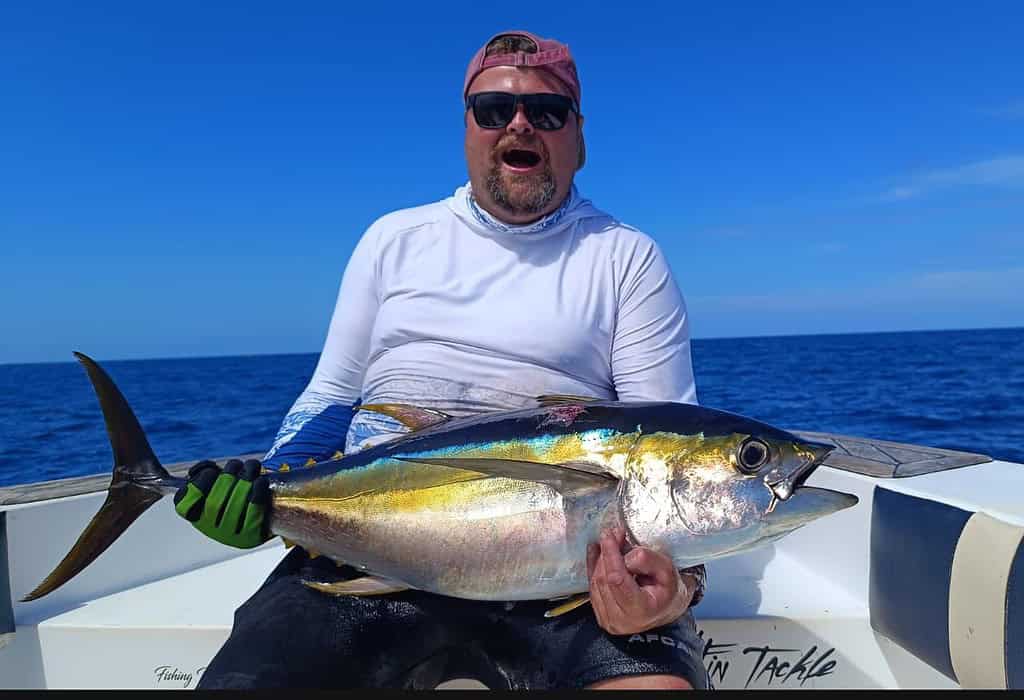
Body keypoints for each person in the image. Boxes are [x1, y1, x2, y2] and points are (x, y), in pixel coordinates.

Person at [172, 30, 710, 690]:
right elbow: (330, 398)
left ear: (579, 137)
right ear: (467, 128)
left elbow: (668, 450)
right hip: (371, 558)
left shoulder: (626, 257)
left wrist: (675, 585)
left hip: (573, 578)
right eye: (493, 109)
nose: (519, 124)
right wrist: (272, 492)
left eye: (547, 111)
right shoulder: (393, 241)